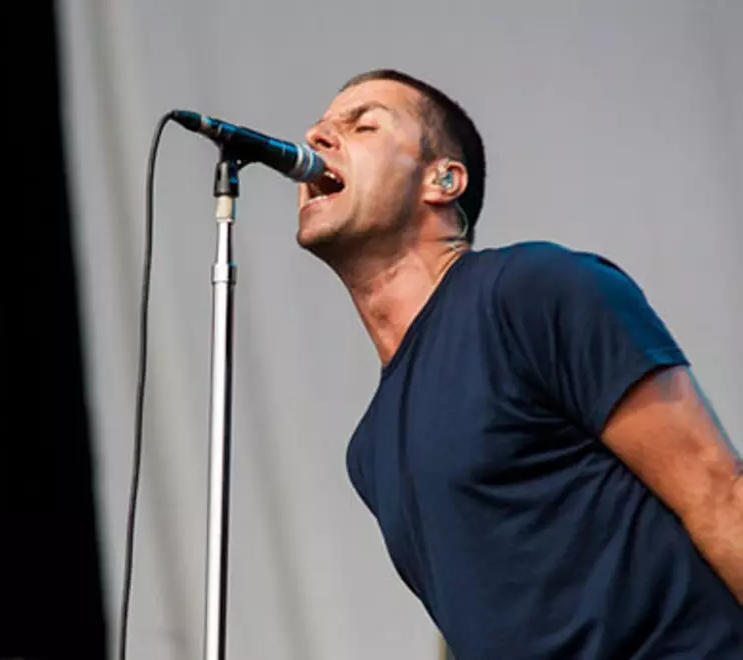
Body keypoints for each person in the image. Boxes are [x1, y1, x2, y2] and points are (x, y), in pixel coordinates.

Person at [297, 69, 742, 659]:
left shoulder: (531, 291)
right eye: (323, 126)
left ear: (443, 179)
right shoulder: (370, 449)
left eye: (363, 124)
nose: (318, 137)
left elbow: (718, 492)